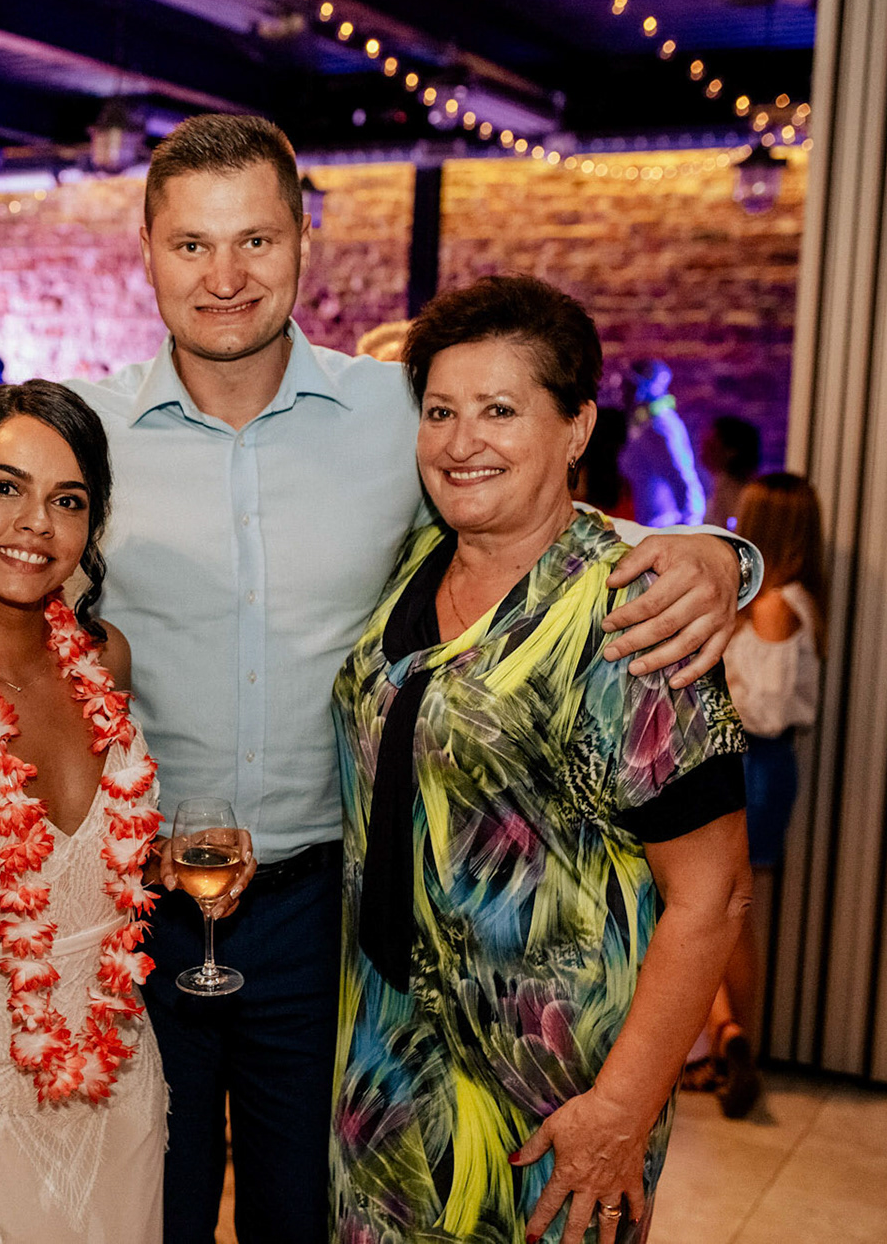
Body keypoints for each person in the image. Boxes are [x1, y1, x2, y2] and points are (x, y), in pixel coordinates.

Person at [0, 113, 754, 1244]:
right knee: (145, 1208)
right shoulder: (75, 432)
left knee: (305, 1216)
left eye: (255, 240)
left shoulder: (401, 412)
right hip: (138, 916)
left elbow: (527, 503)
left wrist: (721, 555)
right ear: (147, 251)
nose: (225, 277)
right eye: (192, 244)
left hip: (328, 917)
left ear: (304, 241)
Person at [330, 275, 753, 1244]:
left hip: (554, 1104)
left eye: (499, 410)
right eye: (440, 411)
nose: (460, 441)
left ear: (576, 428)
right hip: (386, 1071)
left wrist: (622, 1110)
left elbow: (716, 895)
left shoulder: (634, 611)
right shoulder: (412, 562)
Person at [0, 381, 195, 1243]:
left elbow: (79, 859)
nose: (36, 523)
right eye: (5, 487)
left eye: (67, 501)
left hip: (119, 1078)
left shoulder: (105, 659)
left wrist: (156, 857)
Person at [706, 472, 824, 1118]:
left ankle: (734, 1044)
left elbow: (769, 711)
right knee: (721, 908)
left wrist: (715, 687)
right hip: (755, 764)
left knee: (725, 911)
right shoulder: (787, 603)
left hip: (752, 762)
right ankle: (728, 1040)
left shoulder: (777, 606)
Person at [616, 358, 706, 528]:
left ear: (644, 387)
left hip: (661, 530)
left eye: (628, 384)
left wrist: (689, 531)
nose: (621, 390)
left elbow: (684, 480)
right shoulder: (646, 424)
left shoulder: (660, 426)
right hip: (647, 528)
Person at [702, 415, 762, 529]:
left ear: (732, 452)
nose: (702, 451)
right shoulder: (717, 484)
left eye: (711, 446)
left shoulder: (743, 493)